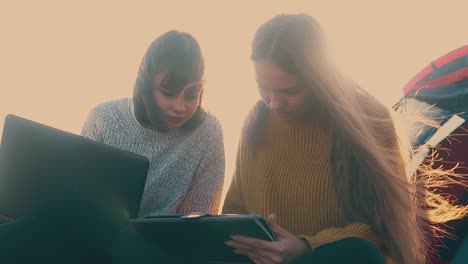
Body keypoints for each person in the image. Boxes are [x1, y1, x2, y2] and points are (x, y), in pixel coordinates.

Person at [222, 14, 467, 264]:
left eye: (290, 91)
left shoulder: (368, 118)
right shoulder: (257, 119)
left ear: (321, 78)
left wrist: (307, 247)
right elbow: (235, 209)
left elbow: (384, 228)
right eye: (263, 87)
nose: (274, 103)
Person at [82, 30, 225, 217]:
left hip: (169, 243)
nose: (180, 107)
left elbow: (198, 223)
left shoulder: (207, 133)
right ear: (146, 86)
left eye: (191, 94)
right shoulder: (103, 119)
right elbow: (81, 199)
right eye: (168, 93)